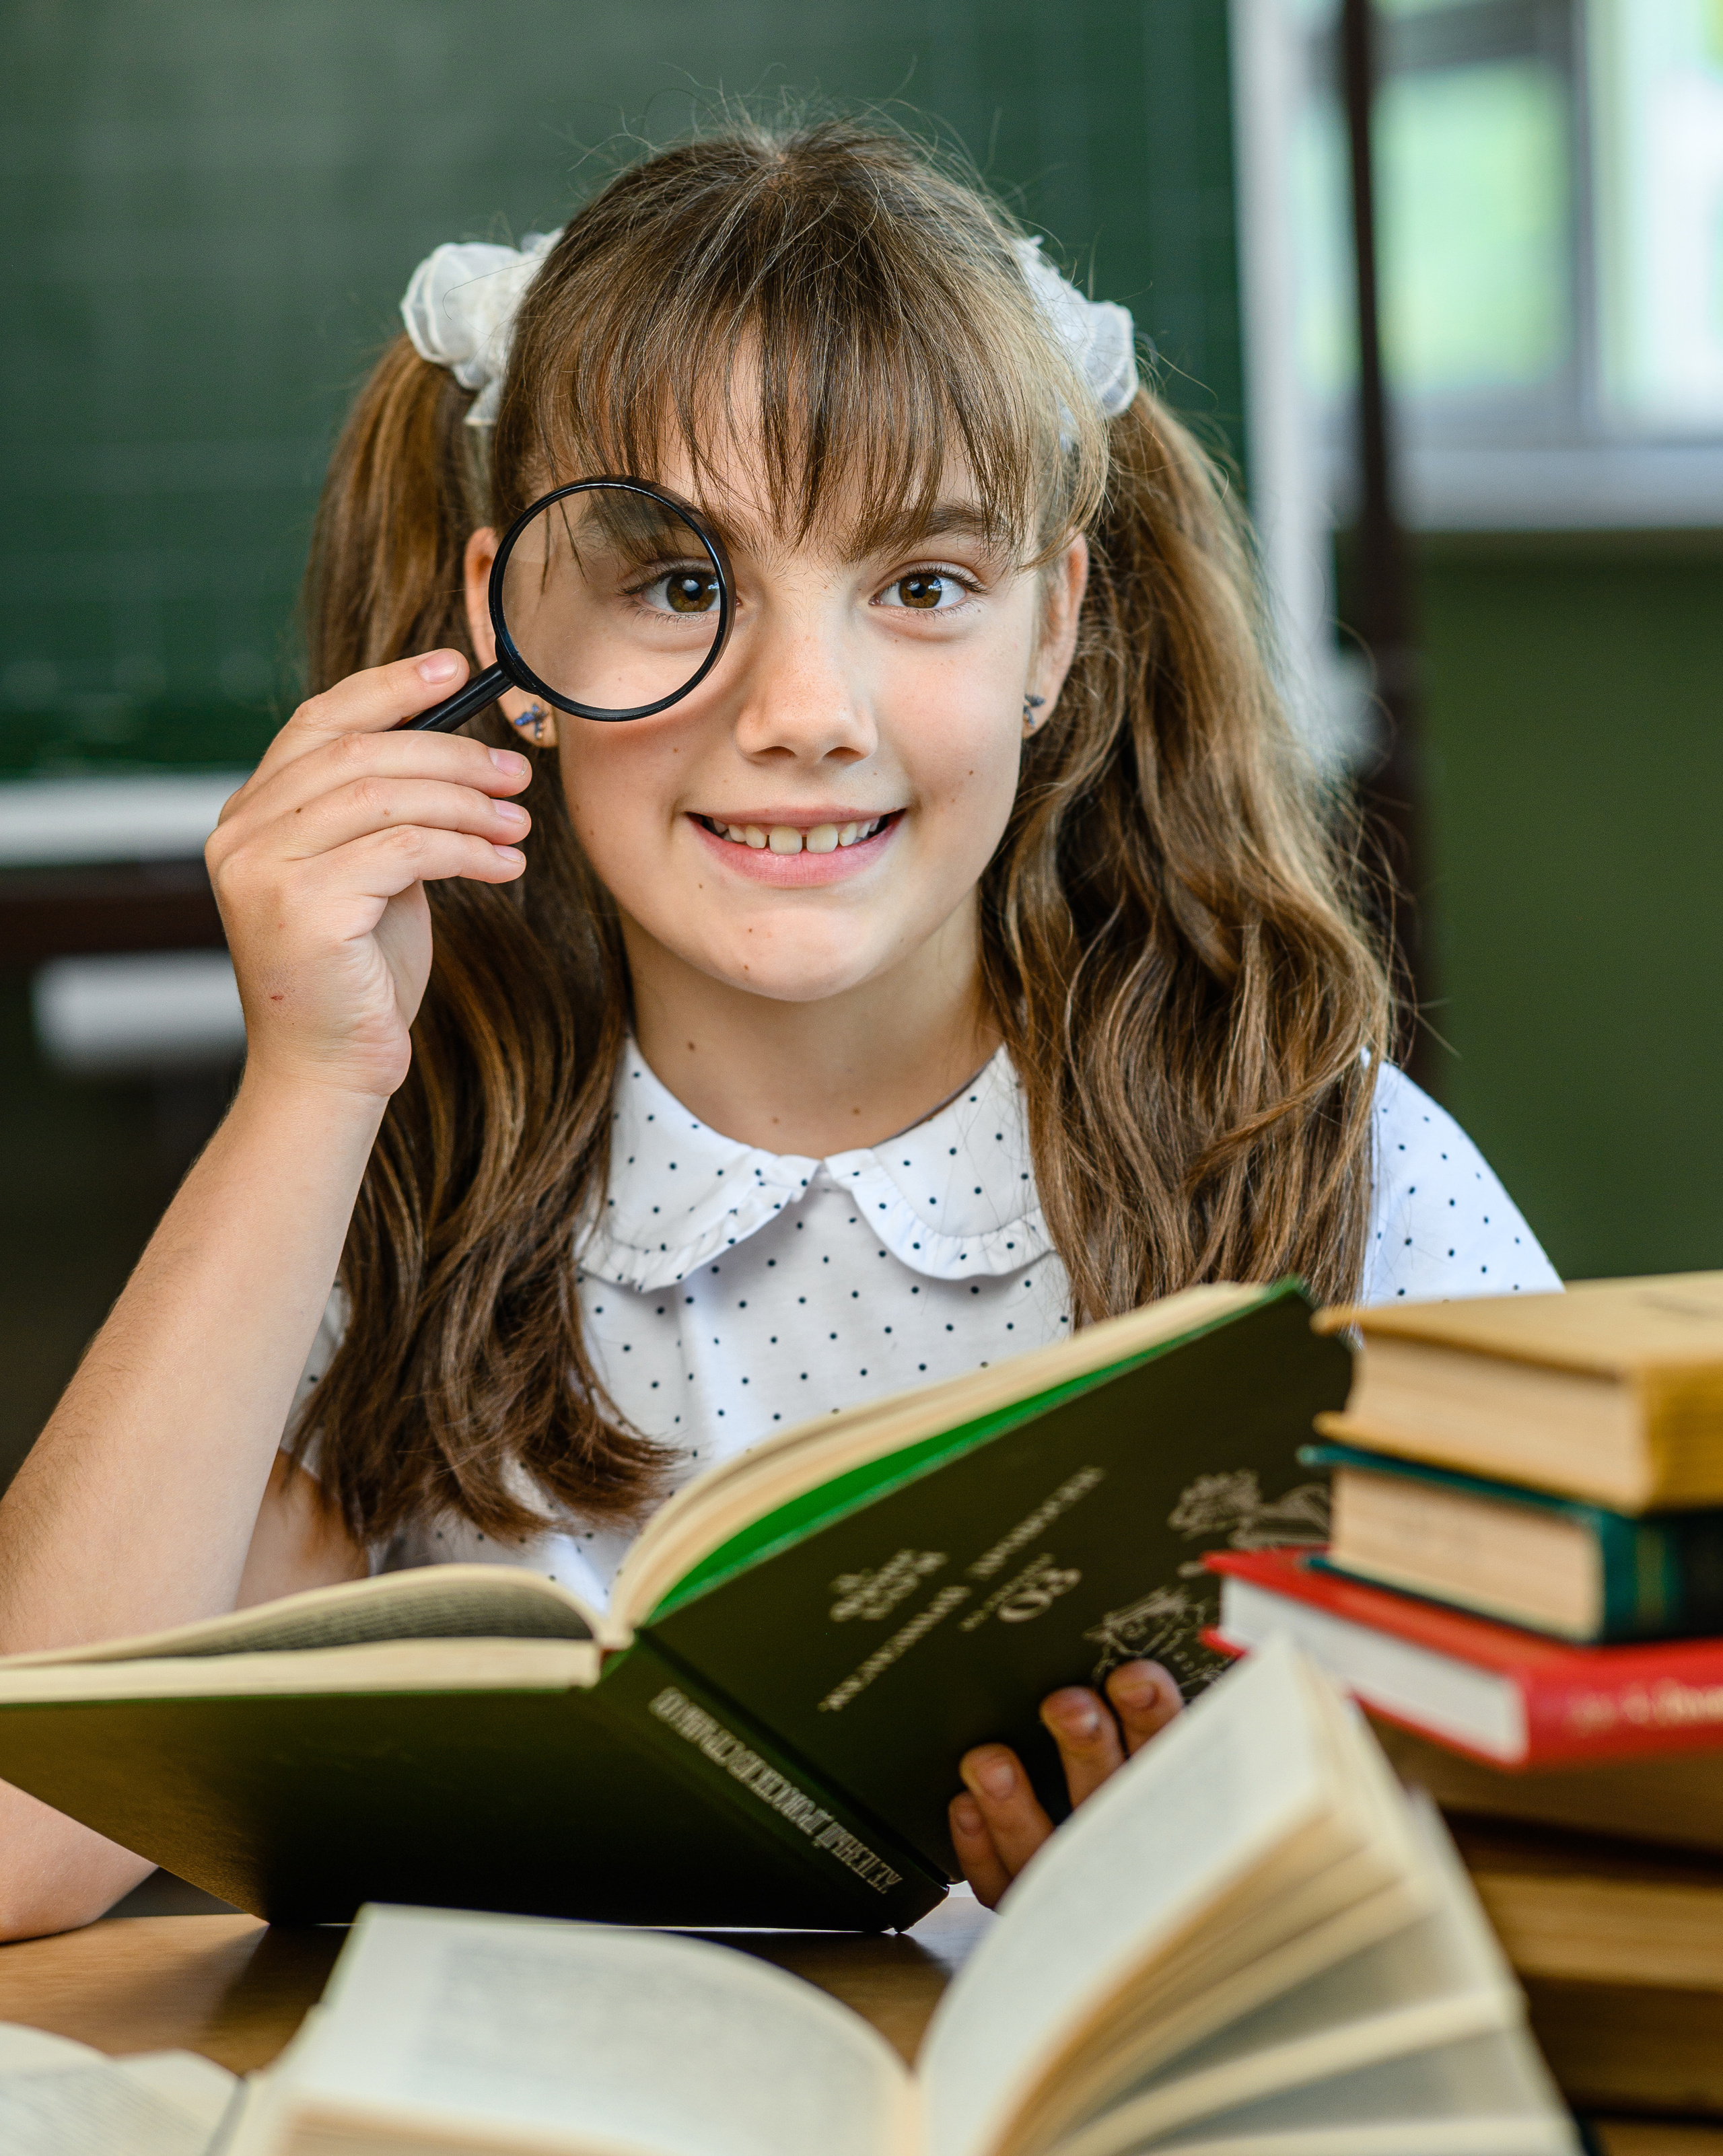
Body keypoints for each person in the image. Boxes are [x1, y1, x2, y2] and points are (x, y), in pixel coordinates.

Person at [0, 119, 1558, 1939]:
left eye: (921, 585)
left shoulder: (1318, 1165)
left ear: (1053, 628)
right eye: (680, 581)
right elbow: (25, 1842)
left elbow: (1601, 1814)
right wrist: (314, 1080)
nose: (806, 711)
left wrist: (1257, 1882)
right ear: (515, 619)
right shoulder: (405, 1182)